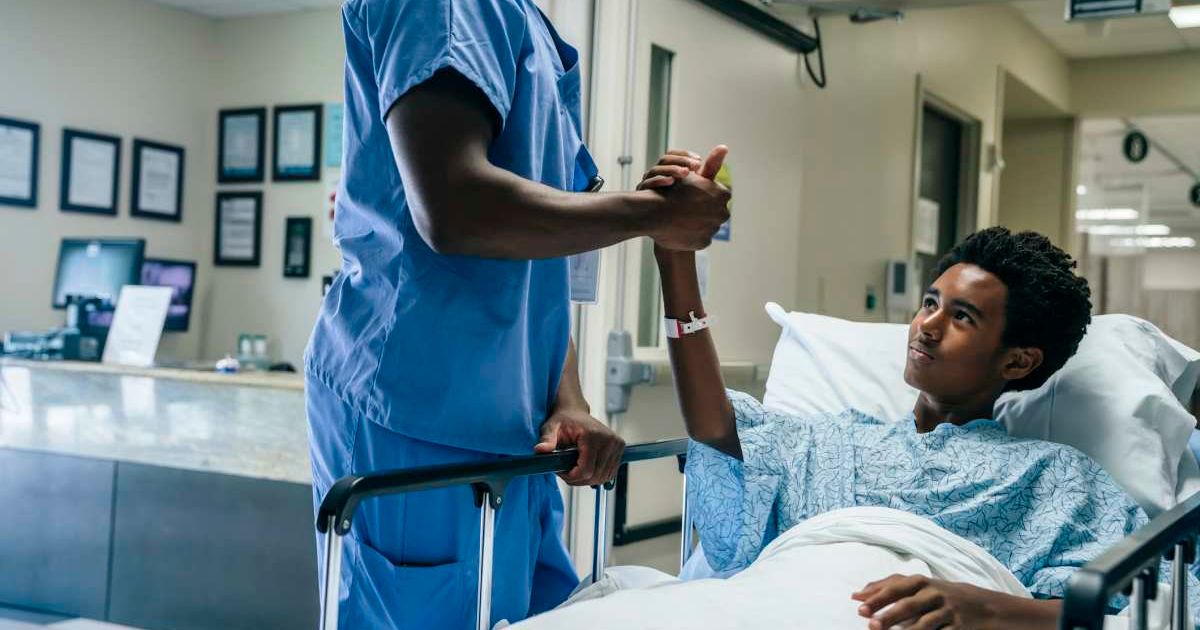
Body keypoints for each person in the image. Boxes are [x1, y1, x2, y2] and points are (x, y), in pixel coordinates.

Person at [303, 1, 731, 627]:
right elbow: (454, 208)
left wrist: (571, 400)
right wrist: (651, 216)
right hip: (417, 417)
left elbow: (537, 267)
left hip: (517, 438)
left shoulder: (526, 26)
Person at [639, 186, 1200, 629]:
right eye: (930, 303)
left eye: (962, 317)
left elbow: (1139, 611)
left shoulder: (1057, 478)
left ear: (1019, 361)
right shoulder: (833, 440)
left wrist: (985, 610)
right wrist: (674, 259)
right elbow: (715, 427)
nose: (926, 326)